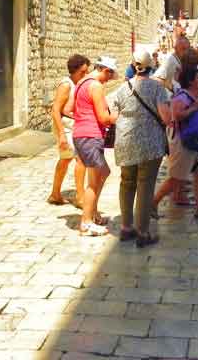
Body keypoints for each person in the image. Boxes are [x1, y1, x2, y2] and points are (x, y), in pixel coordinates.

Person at [109, 50, 171, 248]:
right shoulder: (157, 88)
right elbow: (166, 117)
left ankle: (127, 227)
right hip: (150, 144)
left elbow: (113, 116)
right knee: (145, 185)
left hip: (125, 142)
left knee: (126, 182)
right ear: (150, 65)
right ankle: (143, 232)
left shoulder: (121, 89)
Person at [152, 66, 198, 219]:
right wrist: (195, 108)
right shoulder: (181, 97)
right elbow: (177, 116)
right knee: (177, 177)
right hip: (183, 141)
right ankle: (153, 202)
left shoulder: (193, 94)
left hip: (194, 141)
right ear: (190, 81)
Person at [71, 57, 119, 236]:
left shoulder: (81, 83)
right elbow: (103, 118)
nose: (108, 80)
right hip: (90, 136)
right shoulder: (96, 86)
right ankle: (86, 222)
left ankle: (93, 213)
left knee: (104, 172)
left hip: (81, 134)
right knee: (94, 181)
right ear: (105, 70)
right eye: (109, 75)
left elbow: (71, 108)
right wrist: (118, 116)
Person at [47, 54, 90, 207]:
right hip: (64, 127)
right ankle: (80, 197)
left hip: (72, 126)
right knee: (81, 159)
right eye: (82, 72)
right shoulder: (66, 85)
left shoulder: (78, 84)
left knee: (65, 160)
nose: (85, 75)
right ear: (74, 70)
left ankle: (55, 194)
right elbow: (55, 110)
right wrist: (61, 135)